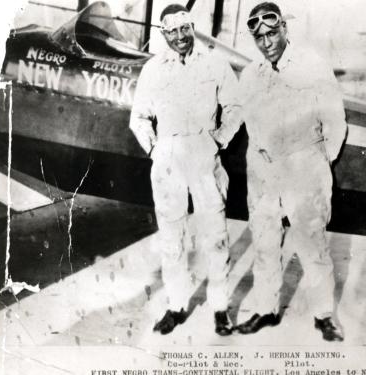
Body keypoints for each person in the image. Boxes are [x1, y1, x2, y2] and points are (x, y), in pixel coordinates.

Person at [212, 1, 347, 341]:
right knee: (265, 243)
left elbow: (335, 122)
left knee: (312, 243)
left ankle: (324, 316)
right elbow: (236, 115)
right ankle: (266, 310)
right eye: (260, 37)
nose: (267, 42)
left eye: (273, 33)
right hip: (263, 172)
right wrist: (213, 140)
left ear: (285, 29)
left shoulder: (312, 65)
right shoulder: (251, 74)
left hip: (304, 167)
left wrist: (318, 164)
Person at [129, 3, 241, 336]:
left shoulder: (215, 65)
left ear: (192, 29)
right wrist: (154, 149)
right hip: (168, 163)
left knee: (216, 238)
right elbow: (138, 118)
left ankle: (220, 308)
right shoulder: (153, 70)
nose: (180, 36)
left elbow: (235, 108)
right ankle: (176, 307)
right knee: (171, 241)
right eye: (172, 31)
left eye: (185, 28)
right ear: (163, 34)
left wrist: (219, 140)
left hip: (205, 161)